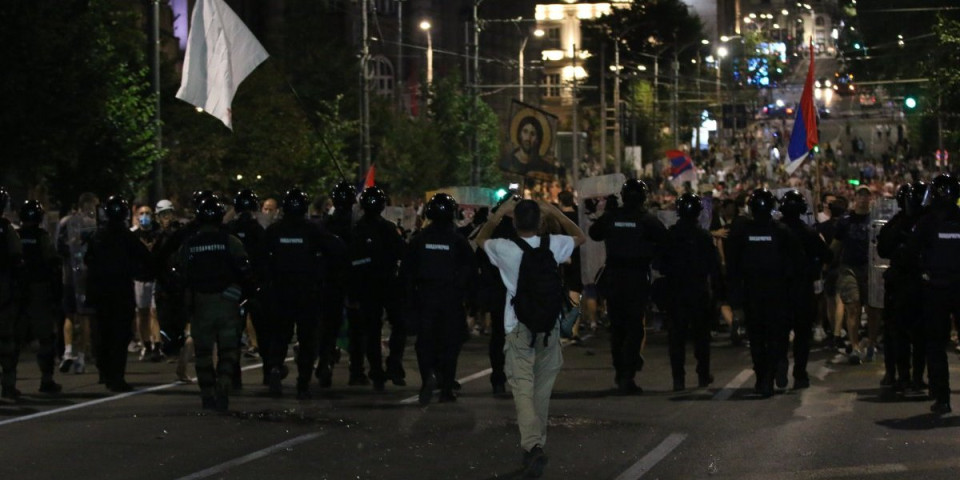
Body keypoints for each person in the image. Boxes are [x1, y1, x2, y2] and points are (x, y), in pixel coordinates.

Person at [477, 197, 584, 478]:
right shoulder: (553, 245)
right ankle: (536, 444)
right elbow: (580, 237)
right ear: (539, 222)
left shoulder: (505, 248)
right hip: (549, 326)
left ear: (514, 222)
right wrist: (556, 212)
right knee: (541, 390)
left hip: (517, 325)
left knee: (522, 387)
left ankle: (532, 446)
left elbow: (480, 240)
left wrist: (497, 215)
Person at [263, 189, 345, 399]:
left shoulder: (274, 230)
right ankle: (303, 381)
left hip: (281, 292)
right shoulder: (313, 230)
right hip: (307, 292)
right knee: (307, 338)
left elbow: (261, 258)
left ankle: (274, 368)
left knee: (280, 335)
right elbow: (335, 249)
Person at [588, 179, 668, 394]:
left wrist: (609, 217)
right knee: (634, 327)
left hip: (615, 276)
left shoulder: (613, 217)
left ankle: (620, 369)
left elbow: (594, 233)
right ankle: (627, 374)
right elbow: (664, 240)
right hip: (637, 277)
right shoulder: (647, 220)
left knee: (618, 327)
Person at [725, 188, 803, 397]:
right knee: (773, 337)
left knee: (758, 338)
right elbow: (797, 262)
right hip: (774, 294)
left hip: (757, 294)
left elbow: (732, 268)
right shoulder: (780, 231)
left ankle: (764, 377)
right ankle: (768, 373)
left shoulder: (745, 232)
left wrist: (736, 301)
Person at [176, 196, 251, 410]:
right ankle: (224, 386)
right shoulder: (231, 242)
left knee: (203, 354)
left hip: (201, 304)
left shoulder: (189, 245)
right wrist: (240, 291)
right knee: (228, 351)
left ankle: (207, 393)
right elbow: (245, 271)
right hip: (227, 303)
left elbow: (180, 273)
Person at [402, 193, 476, 404]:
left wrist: (409, 301)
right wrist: (470, 301)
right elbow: (470, 270)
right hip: (451, 299)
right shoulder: (458, 241)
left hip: (425, 298)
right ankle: (446, 388)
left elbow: (407, 273)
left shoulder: (419, 240)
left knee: (425, 342)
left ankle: (428, 377)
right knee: (450, 344)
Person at [84, 195, 151, 392]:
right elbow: (144, 258)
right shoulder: (125, 236)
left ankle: (104, 372)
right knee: (119, 335)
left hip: (101, 293)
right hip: (120, 291)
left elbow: (88, 261)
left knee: (103, 333)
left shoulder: (98, 236)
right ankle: (116, 376)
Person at [658, 193, 720, 392]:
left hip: (676, 291)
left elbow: (659, 263)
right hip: (698, 291)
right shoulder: (703, 236)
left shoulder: (671, 235)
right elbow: (714, 266)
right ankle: (703, 374)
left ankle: (679, 379)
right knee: (701, 337)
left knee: (676, 337)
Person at [909, 174, 960, 414]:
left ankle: (943, 399)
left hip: (936, 290)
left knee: (936, 346)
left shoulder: (927, 222)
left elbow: (911, 251)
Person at [347, 186, 406, 391]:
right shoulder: (388, 228)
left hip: (367, 287)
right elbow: (402, 253)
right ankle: (392, 363)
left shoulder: (357, 230)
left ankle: (377, 370)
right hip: (386, 284)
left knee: (372, 331)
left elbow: (351, 261)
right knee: (398, 324)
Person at [779, 190, 832, 390]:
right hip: (802, 289)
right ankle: (799, 373)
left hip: (780, 290)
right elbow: (827, 255)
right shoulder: (808, 232)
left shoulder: (776, 230)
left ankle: (781, 362)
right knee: (802, 334)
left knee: (781, 332)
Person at [877, 182, 926, 392]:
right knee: (901, 333)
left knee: (909, 334)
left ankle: (909, 376)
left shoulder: (925, 222)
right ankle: (905, 375)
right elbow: (884, 249)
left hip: (915, 283)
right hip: (906, 283)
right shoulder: (900, 224)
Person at [16, 200, 63, 395]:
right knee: (45, 338)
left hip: (16, 291)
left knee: (13, 338)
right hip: (38, 290)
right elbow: (52, 263)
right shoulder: (41, 237)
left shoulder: (15, 235)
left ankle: (8, 384)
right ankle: (46, 379)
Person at [830, 186, 878, 364]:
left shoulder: (875, 219)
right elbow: (836, 244)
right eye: (860, 195)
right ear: (855, 198)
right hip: (849, 268)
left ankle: (872, 343)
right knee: (853, 307)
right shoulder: (845, 221)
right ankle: (855, 345)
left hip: (870, 268)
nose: (863, 199)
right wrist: (827, 260)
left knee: (872, 309)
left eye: (867, 195)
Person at [317, 180, 356, 387]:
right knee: (359, 326)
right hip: (353, 280)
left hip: (330, 281)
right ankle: (358, 369)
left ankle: (325, 360)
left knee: (328, 326)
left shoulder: (325, 225)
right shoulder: (358, 224)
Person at [56, 192, 99, 375]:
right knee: (85, 317)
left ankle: (67, 352)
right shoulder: (93, 225)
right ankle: (81, 357)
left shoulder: (65, 222)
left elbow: (57, 246)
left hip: (68, 276)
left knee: (69, 314)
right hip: (86, 276)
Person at [226, 189, 267, 384]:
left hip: (236, 287)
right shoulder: (258, 230)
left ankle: (234, 375)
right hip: (255, 285)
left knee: (235, 334)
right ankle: (269, 372)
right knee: (263, 331)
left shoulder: (230, 229)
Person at [0, 187, 25, 399]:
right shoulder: (6, 229)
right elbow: (17, 257)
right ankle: (8, 385)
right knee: (7, 340)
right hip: (4, 291)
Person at [131, 203, 162, 362]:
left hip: (154, 277)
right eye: (142, 213)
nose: (145, 216)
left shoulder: (158, 234)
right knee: (142, 312)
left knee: (154, 312)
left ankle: (157, 344)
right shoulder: (133, 236)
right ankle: (146, 344)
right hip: (139, 278)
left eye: (148, 213)